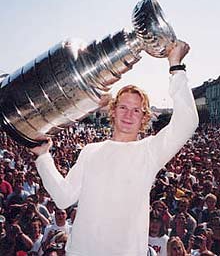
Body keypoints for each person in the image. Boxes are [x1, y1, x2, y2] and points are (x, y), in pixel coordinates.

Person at [31, 40, 199, 256]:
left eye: (136, 111)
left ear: (144, 117)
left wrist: (176, 67)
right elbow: (64, 198)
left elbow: (187, 122)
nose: (129, 115)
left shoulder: (149, 151)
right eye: (123, 107)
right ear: (113, 111)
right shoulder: (90, 151)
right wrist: (43, 158)